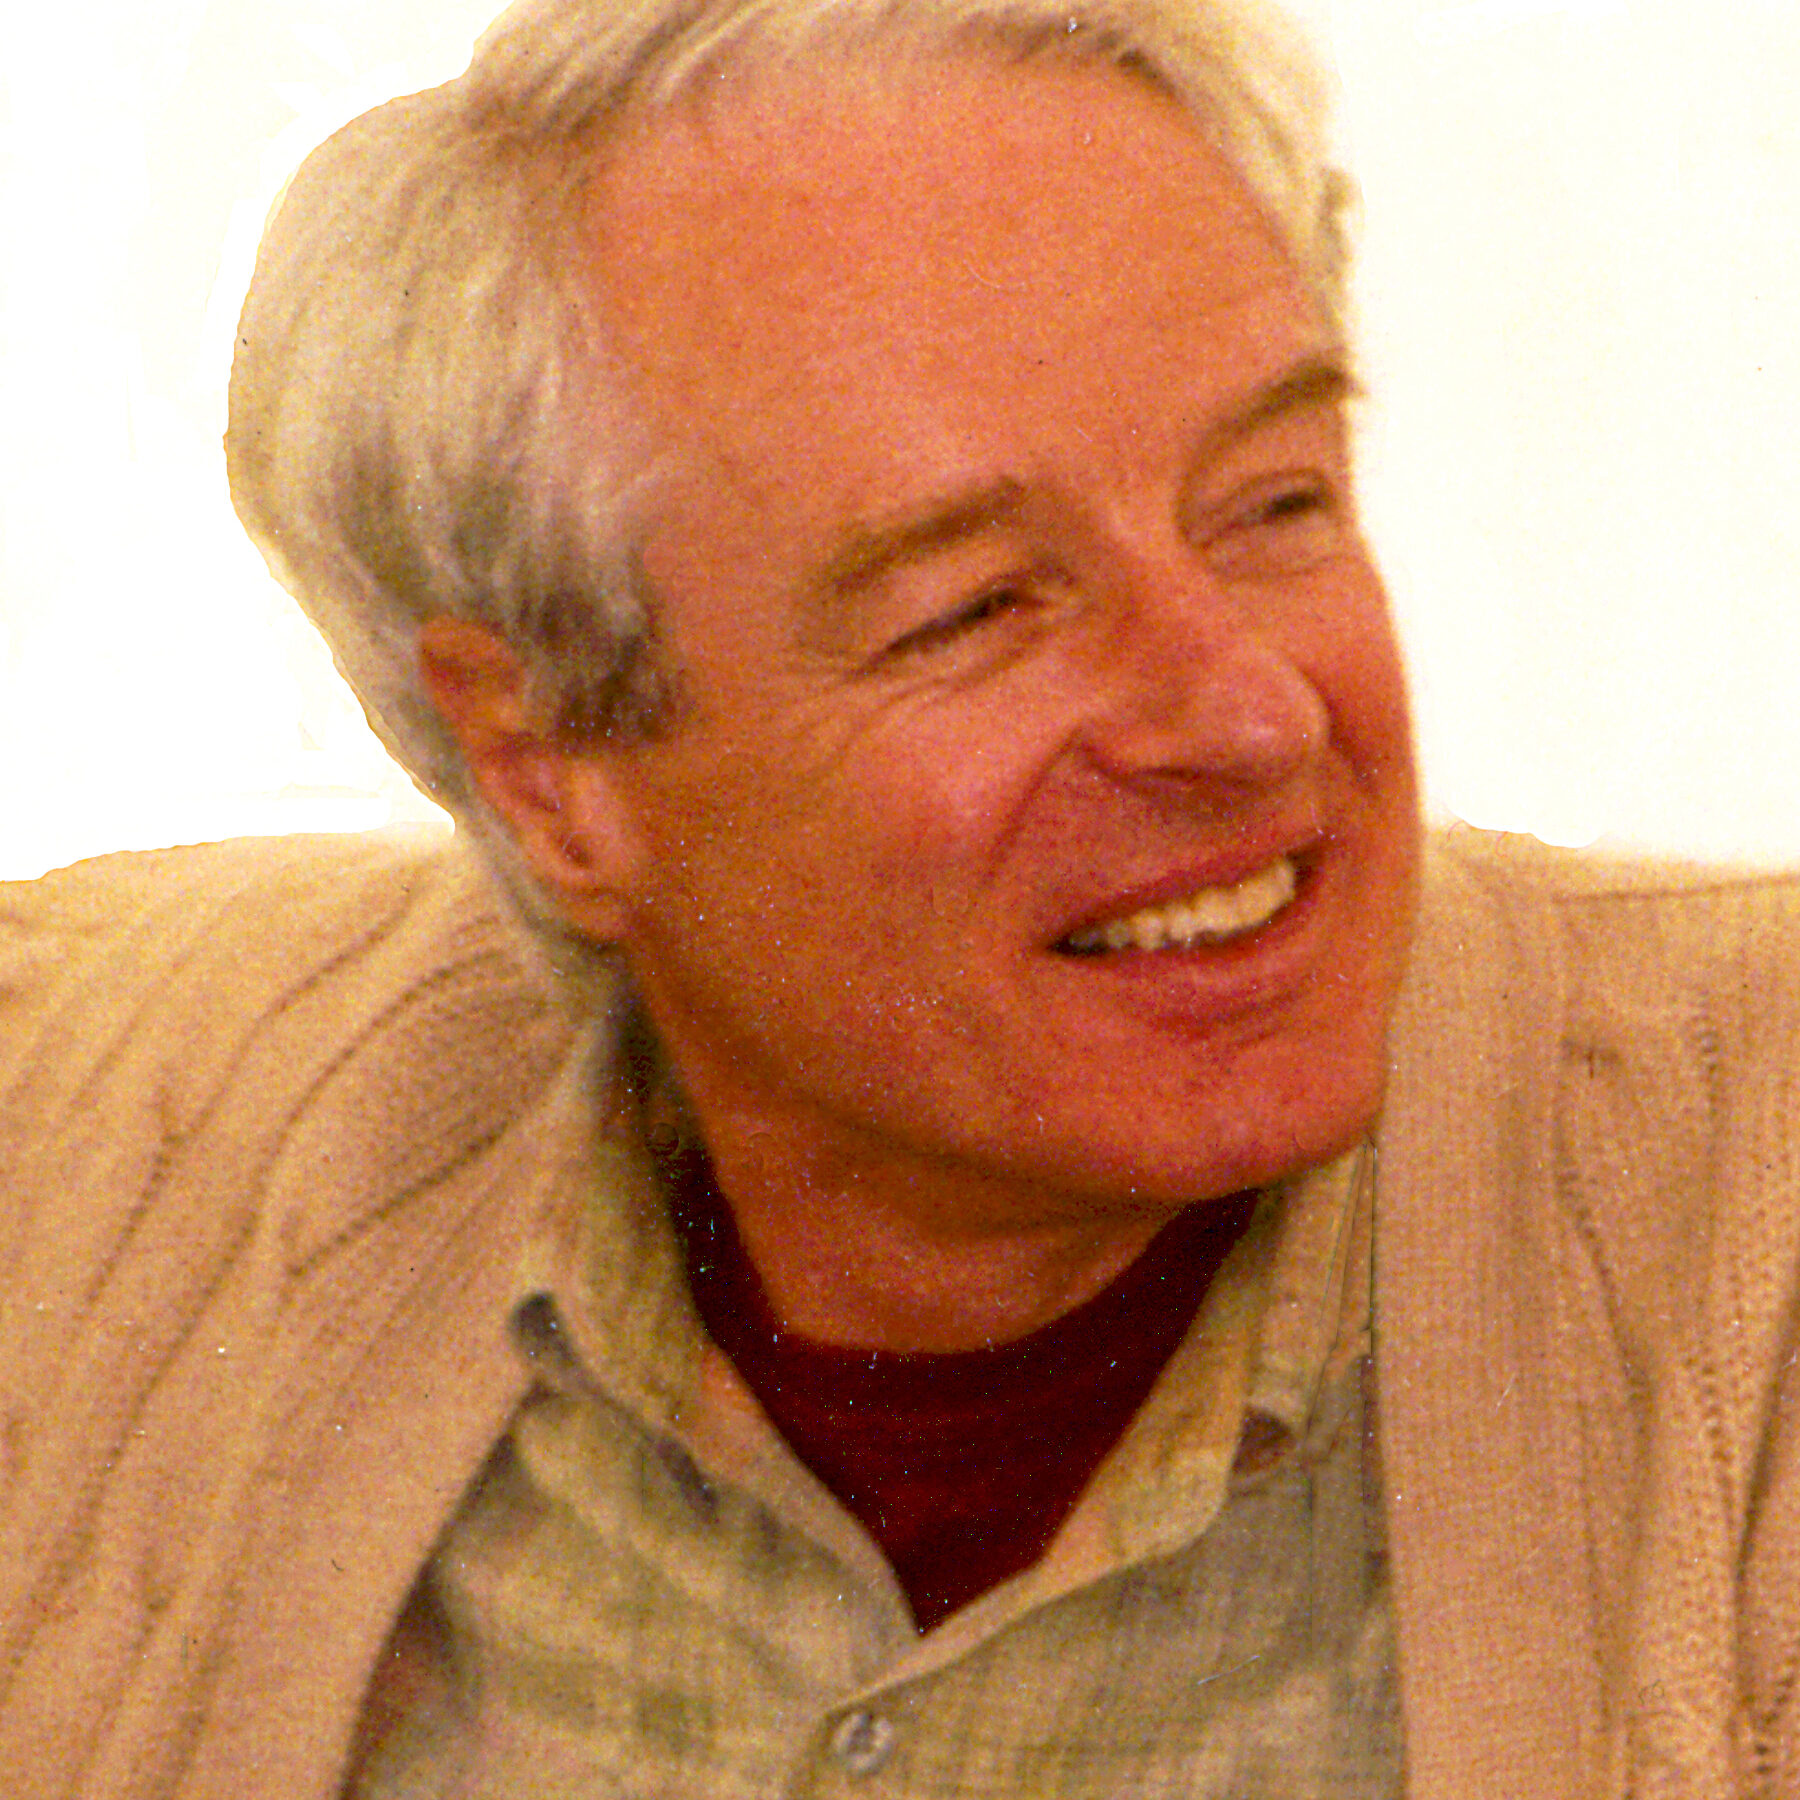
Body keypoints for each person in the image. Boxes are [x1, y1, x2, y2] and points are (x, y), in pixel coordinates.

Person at [3, 0, 1798, 1792]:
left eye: (1275, 501)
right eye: (977, 608)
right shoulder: (97, 1144)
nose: (1249, 711)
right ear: (546, 773)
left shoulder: (1748, 1217)